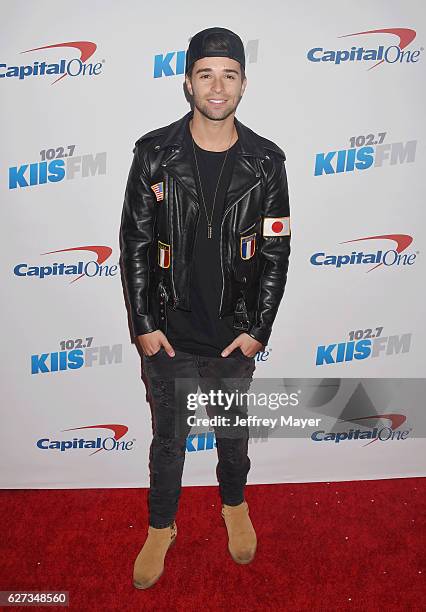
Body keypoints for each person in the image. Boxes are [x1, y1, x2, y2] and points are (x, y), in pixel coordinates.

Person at [119, 26, 291, 589]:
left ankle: (234, 506)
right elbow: (136, 244)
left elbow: (275, 249)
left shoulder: (267, 161)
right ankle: (161, 526)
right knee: (168, 440)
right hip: (168, 334)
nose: (218, 87)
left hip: (232, 335)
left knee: (232, 434)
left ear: (243, 83)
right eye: (206, 74)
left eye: (230, 74)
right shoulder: (154, 153)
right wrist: (143, 326)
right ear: (187, 83)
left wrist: (258, 329)